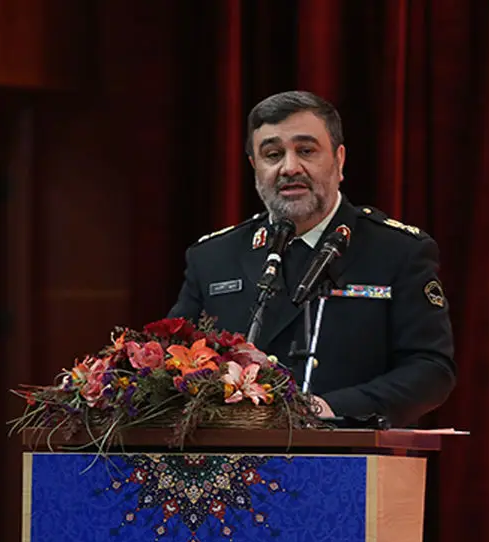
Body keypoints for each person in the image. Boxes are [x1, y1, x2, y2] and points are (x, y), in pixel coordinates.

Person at [167, 90, 456, 427]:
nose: (290, 168)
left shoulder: (397, 250)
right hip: (235, 451)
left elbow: (431, 370)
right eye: (273, 155)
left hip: (349, 448)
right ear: (254, 167)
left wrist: (331, 408)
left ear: (339, 160)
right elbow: (172, 362)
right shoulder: (212, 257)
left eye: (306, 151)